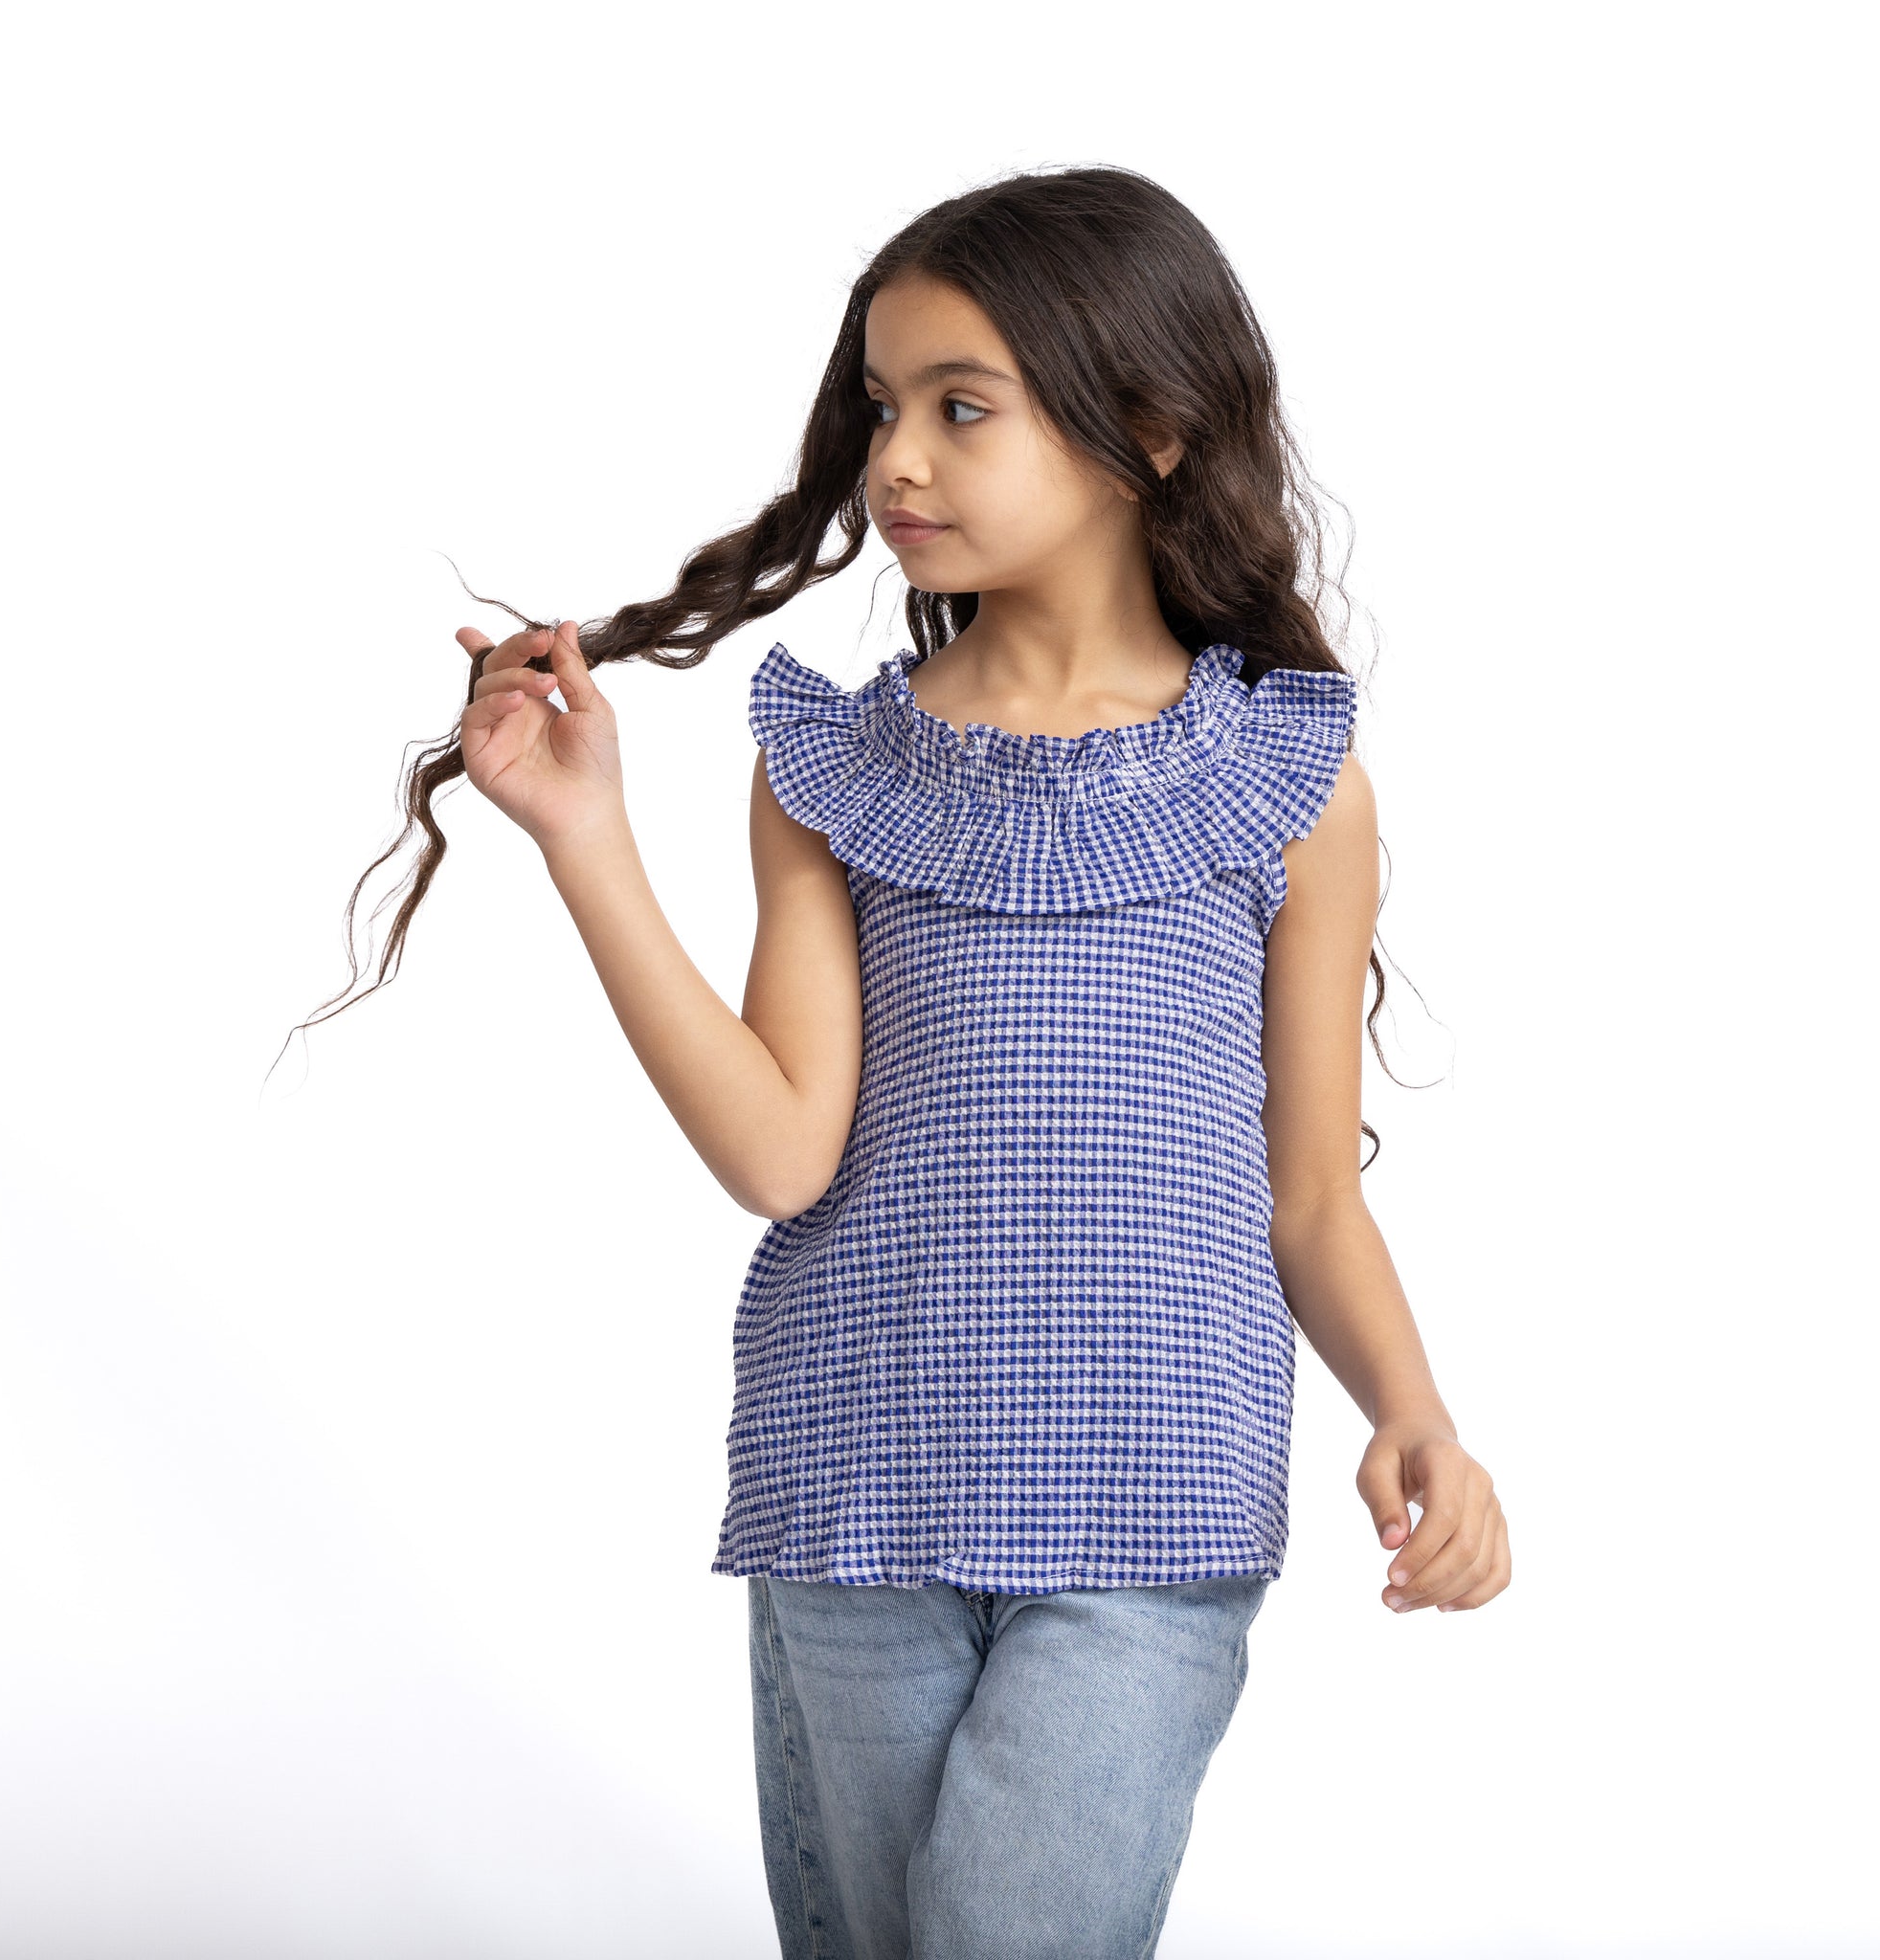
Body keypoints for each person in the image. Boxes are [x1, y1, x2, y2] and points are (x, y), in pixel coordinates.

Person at [360, 166, 1512, 1958]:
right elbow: (781, 1155)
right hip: (859, 1490)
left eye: (959, 410)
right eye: (883, 409)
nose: (895, 460)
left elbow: (1307, 1198)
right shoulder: (836, 767)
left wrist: (1418, 1414)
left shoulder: (1291, 784)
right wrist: (587, 843)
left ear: (1148, 430)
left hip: (1154, 1507)